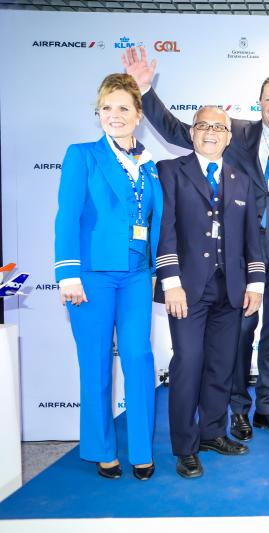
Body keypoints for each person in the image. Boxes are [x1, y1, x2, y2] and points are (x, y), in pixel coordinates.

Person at [123, 47, 269, 439]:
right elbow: (177, 130)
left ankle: (267, 409)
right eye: (268, 99)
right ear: (258, 103)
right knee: (237, 337)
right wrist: (144, 92)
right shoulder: (234, 132)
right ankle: (238, 410)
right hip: (235, 259)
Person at [55, 73, 161, 480]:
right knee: (96, 363)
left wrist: (155, 270)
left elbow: (154, 221)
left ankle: (141, 449)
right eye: (106, 108)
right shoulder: (82, 155)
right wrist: (67, 274)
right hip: (92, 276)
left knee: (138, 357)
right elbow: (67, 216)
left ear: (138, 114)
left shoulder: (149, 165)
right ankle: (101, 449)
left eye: (122, 108)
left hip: (137, 275)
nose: (113, 115)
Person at [154, 106, 265, 479]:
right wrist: (170, 281)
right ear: (192, 132)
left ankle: (213, 433)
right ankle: (185, 447)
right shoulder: (170, 171)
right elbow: (165, 230)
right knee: (188, 363)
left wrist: (255, 283)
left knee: (221, 364)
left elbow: (252, 238)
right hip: (185, 290)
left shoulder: (241, 180)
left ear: (229, 137)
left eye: (219, 127)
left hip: (230, 289)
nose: (211, 132)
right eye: (203, 125)